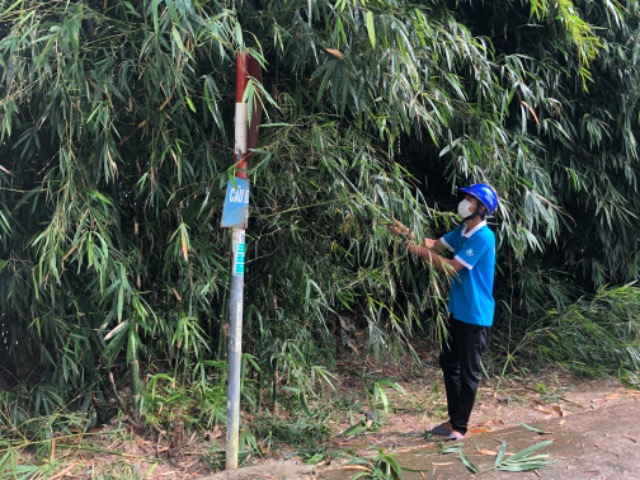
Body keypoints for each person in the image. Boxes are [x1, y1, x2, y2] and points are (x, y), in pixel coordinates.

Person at [388, 183, 498, 441]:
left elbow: (451, 267)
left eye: (470, 199)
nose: (465, 201)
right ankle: (453, 420)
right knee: (450, 362)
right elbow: (435, 245)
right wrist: (406, 234)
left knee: (469, 371)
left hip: (475, 314)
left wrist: (418, 252)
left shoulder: (483, 236)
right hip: (458, 311)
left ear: (481, 208)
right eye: (466, 197)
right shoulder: (463, 231)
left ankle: (460, 427)